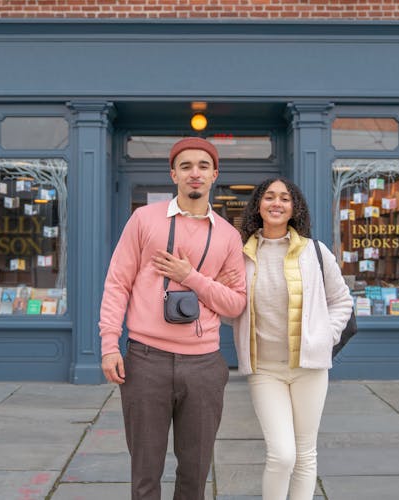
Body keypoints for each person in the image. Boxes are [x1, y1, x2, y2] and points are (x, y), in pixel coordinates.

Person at [98, 137, 247, 500]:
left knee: (195, 472)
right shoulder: (144, 219)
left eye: (202, 166)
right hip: (146, 359)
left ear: (215, 174)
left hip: (204, 365)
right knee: (145, 471)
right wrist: (108, 345)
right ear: (173, 174)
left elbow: (236, 304)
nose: (194, 173)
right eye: (186, 166)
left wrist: (190, 276)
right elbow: (118, 283)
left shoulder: (228, 236)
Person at [220, 177, 353, 500]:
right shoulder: (240, 255)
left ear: (295, 208)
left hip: (309, 368)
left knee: (306, 455)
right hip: (265, 370)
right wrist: (221, 289)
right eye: (269, 197)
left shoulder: (315, 252)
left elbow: (342, 301)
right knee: (282, 455)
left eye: (284, 198)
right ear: (258, 206)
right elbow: (228, 313)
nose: (276, 203)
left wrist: (324, 336)